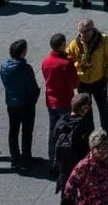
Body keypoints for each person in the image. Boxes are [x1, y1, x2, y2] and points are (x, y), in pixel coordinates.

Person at [67, 18, 108, 143]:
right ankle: (90, 134)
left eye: (86, 31)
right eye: (81, 31)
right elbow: (70, 59)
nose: (83, 34)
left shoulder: (103, 40)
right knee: (85, 110)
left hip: (99, 80)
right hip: (82, 82)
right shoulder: (75, 43)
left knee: (104, 107)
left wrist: (107, 76)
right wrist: (79, 65)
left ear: (92, 29)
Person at [0, 38, 40, 169]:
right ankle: (26, 157)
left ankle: (15, 157)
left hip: (11, 103)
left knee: (13, 130)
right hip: (26, 104)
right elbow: (32, 88)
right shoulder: (25, 68)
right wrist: (35, 96)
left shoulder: (4, 66)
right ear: (22, 52)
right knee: (27, 132)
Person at [42, 32, 79, 172]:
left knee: (53, 132)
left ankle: (53, 161)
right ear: (62, 45)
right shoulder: (66, 63)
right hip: (64, 101)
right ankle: (67, 163)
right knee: (67, 133)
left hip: (51, 101)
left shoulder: (45, 61)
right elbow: (74, 83)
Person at [52, 92, 94, 193]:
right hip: (78, 162)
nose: (89, 108)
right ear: (81, 108)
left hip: (63, 164)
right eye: (88, 106)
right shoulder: (83, 124)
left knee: (67, 188)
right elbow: (88, 144)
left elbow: (54, 137)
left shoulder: (62, 120)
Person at [62, 129, 108, 205]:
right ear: (92, 148)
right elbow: (71, 184)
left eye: (105, 147)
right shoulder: (84, 165)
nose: (103, 152)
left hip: (107, 199)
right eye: (99, 149)